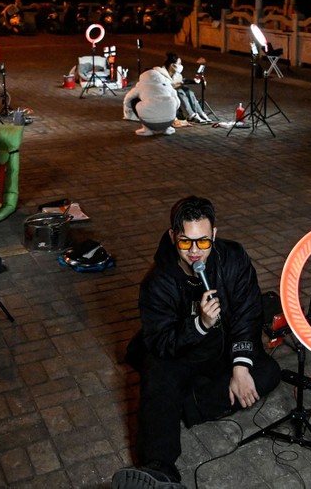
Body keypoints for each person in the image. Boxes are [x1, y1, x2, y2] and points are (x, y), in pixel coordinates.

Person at [112, 196, 281, 488]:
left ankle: (178, 407)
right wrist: (199, 324)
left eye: (203, 242)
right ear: (172, 236)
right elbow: (161, 342)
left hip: (222, 350)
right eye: (185, 242)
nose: (194, 252)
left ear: (214, 234)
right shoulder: (158, 280)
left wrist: (240, 367)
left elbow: (248, 313)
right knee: (157, 372)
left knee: (267, 372)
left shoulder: (233, 258)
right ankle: (159, 468)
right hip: (181, 352)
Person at [155, 52, 211, 124]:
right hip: (163, 94)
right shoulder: (160, 73)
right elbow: (164, 87)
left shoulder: (178, 75)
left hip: (174, 93)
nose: (181, 66)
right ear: (172, 65)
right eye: (179, 64)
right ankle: (190, 115)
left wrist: (189, 82)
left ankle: (200, 113)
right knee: (179, 92)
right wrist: (178, 85)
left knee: (189, 91)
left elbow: (179, 84)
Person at [122, 68, 181, 136]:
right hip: (169, 121)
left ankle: (146, 129)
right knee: (172, 102)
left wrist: (128, 112)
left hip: (150, 122)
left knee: (134, 100)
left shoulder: (141, 85)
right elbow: (177, 102)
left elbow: (128, 99)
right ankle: (167, 128)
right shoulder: (167, 84)